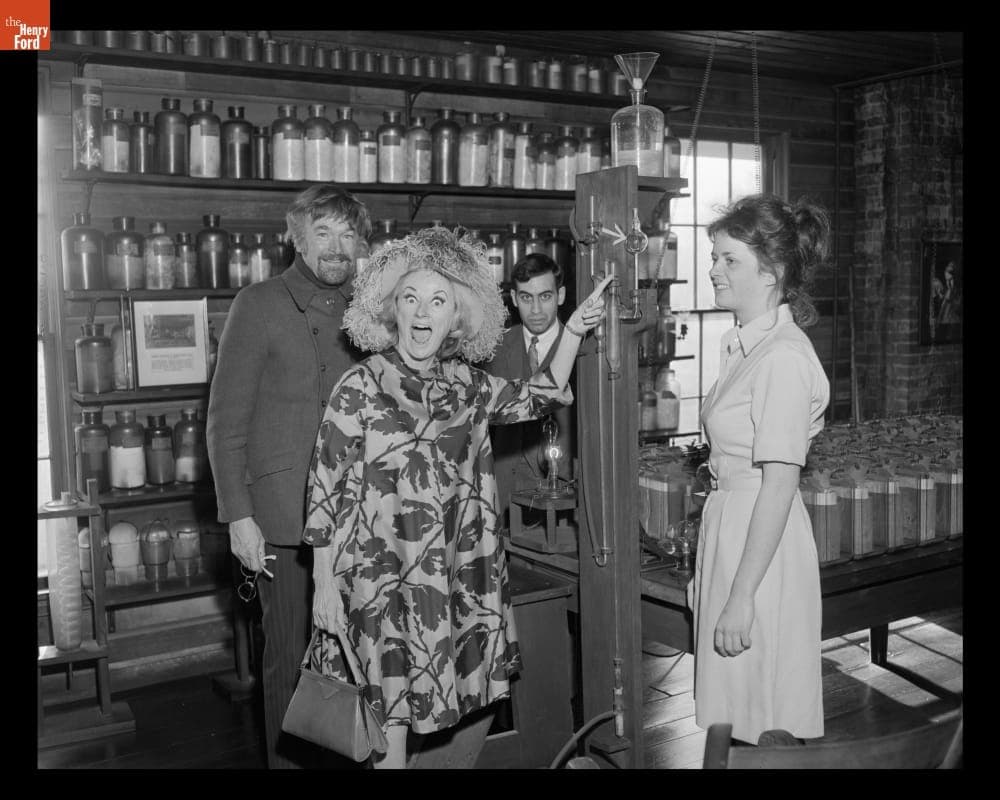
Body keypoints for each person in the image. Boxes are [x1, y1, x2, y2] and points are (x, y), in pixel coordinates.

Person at [303, 227, 611, 768]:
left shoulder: (467, 385)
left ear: (458, 317)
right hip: (378, 581)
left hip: (448, 577)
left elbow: (540, 395)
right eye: (410, 299)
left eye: (438, 301)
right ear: (390, 309)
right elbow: (324, 489)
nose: (422, 314)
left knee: (429, 713)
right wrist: (324, 584)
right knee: (389, 724)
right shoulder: (359, 385)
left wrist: (576, 330)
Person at [206, 185, 372, 769]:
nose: (336, 246)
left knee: (365, 658)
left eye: (347, 234)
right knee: (292, 663)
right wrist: (238, 518)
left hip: (368, 518)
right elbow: (225, 423)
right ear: (297, 239)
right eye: (322, 232)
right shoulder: (258, 303)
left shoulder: (375, 308)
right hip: (284, 520)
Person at [689, 194, 831, 745]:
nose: (714, 269)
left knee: (765, 708)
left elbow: (778, 484)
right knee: (734, 708)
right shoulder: (745, 347)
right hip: (733, 530)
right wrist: (710, 574)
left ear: (770, 274)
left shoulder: (783, 359)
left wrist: (742, 594)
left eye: (729, 260)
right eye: (715, 256)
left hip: (762, 545)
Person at [483, 253, 576, 525]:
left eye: (545, 297)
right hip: (504, 494)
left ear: (560, 295)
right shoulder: (495, 348)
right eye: (526, 298)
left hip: (564, 497)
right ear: (513, 298)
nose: (535, 309)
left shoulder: (582, 348)